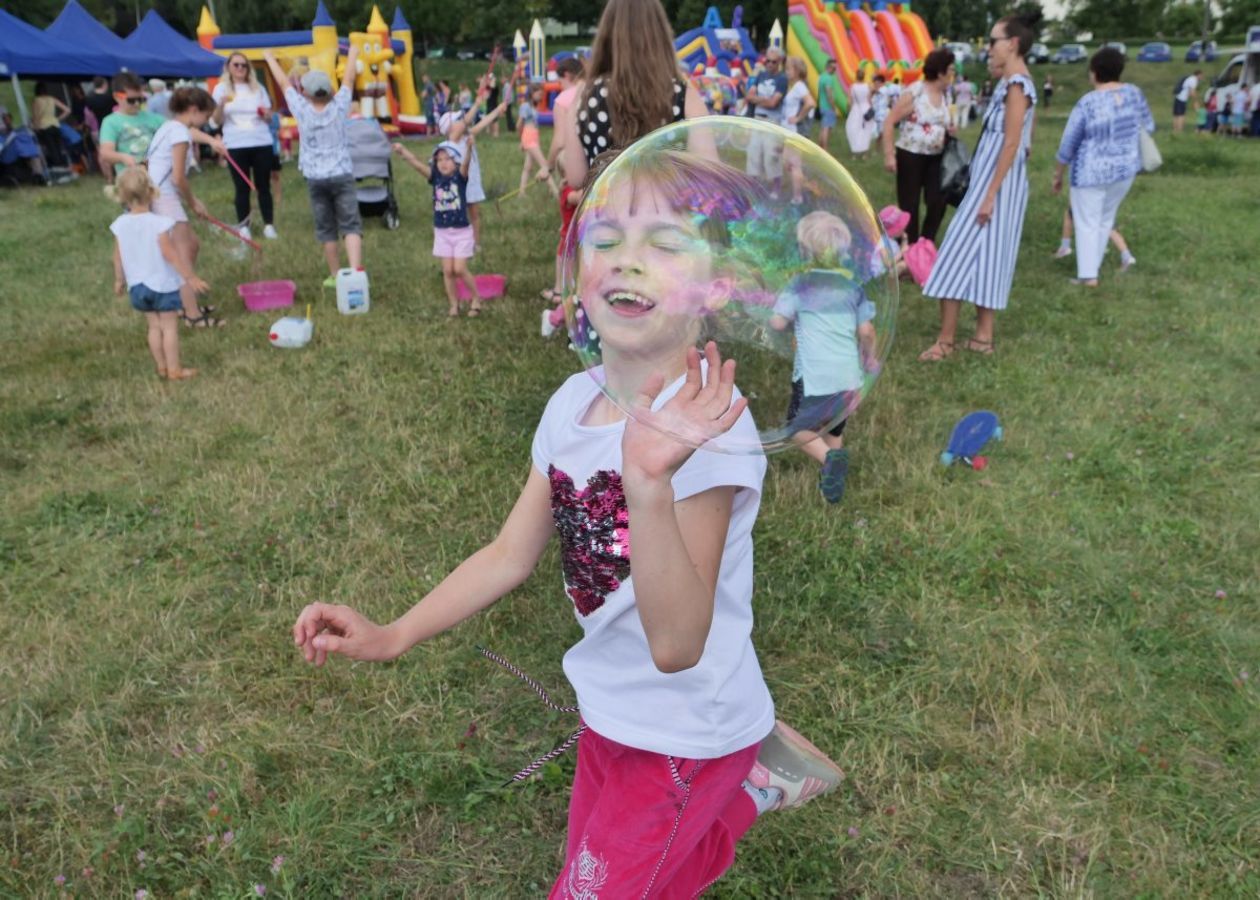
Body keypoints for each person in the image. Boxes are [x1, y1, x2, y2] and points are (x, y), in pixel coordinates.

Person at [290, 147, 844, 896]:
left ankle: (738, 778)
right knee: (649, 879)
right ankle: (748, 792)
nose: (627, 261)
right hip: (610, 714)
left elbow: (679, 643)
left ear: (716, 288)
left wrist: (647, 481)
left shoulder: (707, 436)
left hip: (686, 732)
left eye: (664, 244)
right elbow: (507, 554)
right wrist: (393, 635)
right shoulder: (569, 402)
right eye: (607, 239)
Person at [918, 16, 1037, 360]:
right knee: (989, 258)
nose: (989, 47)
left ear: (1012, 43)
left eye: (994, 40)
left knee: (953, 255)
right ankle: (983, 338)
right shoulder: (1010, 82)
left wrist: (989, 196)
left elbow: (1012, 143)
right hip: (997, 185)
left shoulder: (1018, 85)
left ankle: (945, 342)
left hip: (995, 187)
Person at [770, 211, 877, 504]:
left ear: (804, 251)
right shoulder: (853, 288)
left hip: (814, 376)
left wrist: (780, 315)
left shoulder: (800, 286)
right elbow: (866, 331)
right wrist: (870, 359)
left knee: (796, 428)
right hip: (848, 376)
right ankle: (832, 480)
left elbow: (778, 323)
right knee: (835, 423)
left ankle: (830, 457)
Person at [563, 0, 707, 189]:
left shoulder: (585, 95)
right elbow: (708, 170)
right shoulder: (682, 94)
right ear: (660, 35)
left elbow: (575, 178)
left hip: (606, 215)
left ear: (606, 35)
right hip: (668, 215)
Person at [263, 46, 364, 288]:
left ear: (306, 93)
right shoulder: (340, 105)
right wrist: (352, 55)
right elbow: (349, 78)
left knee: (326, 228)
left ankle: (335, 275)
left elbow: (283, 82)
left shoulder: (301, 108)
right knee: (350, 224)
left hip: (316, 179)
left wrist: (269, 58)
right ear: (330, 90)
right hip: (341, 174)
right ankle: (356, 271)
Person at [1052, 47, 1153, 287]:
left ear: (1094, 72)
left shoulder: (1088, 103)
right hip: (1125, 170)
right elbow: (1148, 125)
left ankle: (1088, 276)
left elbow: (1069, 143)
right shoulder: (1134, 94)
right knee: (1104, 220)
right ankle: (1092, 268)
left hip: (1090, 172)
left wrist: (1058, 174)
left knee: (1086, 222)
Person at [110, 166, 209, 381]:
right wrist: (190, 277)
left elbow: (117, 257)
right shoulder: (159, 223)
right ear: (151, 192)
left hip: (137, 286)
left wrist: (119, 280)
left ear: (123, 196)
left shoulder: (120, 224)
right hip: (162, 285)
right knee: (169, 327)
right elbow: (170, 254)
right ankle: (175, 369)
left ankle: (161, 367)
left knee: (153, 327)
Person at [145, 87, 223, 328]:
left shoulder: (171, 126)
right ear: (193, 110)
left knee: (192, 245)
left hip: (158, 194)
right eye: (205, 117)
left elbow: (191, 132)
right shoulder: (179, 134)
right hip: (164, 197)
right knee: (181, 256)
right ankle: (191, 314)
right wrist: (194, 203)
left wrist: (211, 140)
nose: (205, 123)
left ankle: (182, 299)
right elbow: (178, 178)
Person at [392, 139, 483, 318]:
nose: (443, 163)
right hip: (442, 232)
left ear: (455, 162)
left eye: (447, 159)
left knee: (459, 269)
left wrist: (470, 147)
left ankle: (476, 298)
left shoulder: (460, 177)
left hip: (461, 232)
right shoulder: (435, 178)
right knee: (447, 271)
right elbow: (417, 166)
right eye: (439, 160)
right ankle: (454, 305)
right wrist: (403, 151)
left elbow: (465, 163)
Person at [882, 48, 956, 245]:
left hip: (937, 157)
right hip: (910, 156)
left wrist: (948, 130)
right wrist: (889, 155)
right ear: (940, 72)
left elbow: (941, 121)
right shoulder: (915, 92)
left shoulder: (946, 95)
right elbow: (889, 122)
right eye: (950, 69)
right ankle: (911, 246)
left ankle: (926, 242)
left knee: (938, 201)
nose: (952, 73)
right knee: (910, 205)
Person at [213, 53, 279, 240]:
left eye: (244, 65)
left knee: (263, 185)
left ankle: (269, 225)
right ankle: (244, 227)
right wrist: (220, 105)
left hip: (261, 141)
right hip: (235, 143)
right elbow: (215, 120)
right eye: (236, 65)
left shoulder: (258, 89)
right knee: (241, 188)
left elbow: (269, 117)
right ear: (228, 67)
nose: (240, 68)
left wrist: (266, 114)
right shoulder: (220, 89)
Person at [438, 100, 509, 250]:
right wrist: (477, 103)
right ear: (449, 129)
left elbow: (483, 123)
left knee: (475, 214)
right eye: (457, 121)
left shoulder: (466, 136)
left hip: (472, 183)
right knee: (458, 216)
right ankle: (457, 243)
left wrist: (497, 109)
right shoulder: (452, 141)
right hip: (459, 185)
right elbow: (467, 121)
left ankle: (475, 244)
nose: (462, 122)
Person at [739, 47, 789, 193]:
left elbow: (773, 103)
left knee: (771, 156)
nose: (769, 64)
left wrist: (756, 99)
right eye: (767, 60)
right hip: (757, 120)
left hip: (772, 121)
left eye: (773, 62)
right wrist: (762, 99)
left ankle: (776, 189)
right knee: (753, 154)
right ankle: (753, 187)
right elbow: (749, 96)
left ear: (779, 62)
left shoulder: (782, 79)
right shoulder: (760, 75)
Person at [1054, 207, 1136, 272]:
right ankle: (1126, 255)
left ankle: (1065, 248)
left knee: (1070, 214)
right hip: (1106, 196)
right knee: (1108, 227)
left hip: (1091, 197)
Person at [781, 56, 816, 204]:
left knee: (794, 165)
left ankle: (798, 197)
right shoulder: (795, 86)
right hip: (789, 132)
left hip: (794, 132)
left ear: (797, 70)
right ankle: (804, 188)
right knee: (788, 163)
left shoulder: (800, 86)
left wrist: (798, 118)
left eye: (789, 68)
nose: (786, 71)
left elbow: (810, 103)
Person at [546, 56, 586, 174]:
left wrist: (548, 167)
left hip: (576, 164)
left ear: (567, 75)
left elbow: (560, 141)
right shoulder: (595, 90)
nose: (560, 87)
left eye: (560, 82)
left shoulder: (562, 100)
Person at [518, 84, 559, 198]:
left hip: (534, 137)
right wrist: (522, 140)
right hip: (529, 138)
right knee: (545, 165)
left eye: (541, 94)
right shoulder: (525, 106)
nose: (540, 96)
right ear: (531, 93)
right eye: (538, 93)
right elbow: (519, 125)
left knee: (527, 167)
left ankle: (521, 192)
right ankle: (555, 192)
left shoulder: (533, 107)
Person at [31, 83, 72, 169]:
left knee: (51, 148)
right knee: (59, 147)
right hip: (55, 125)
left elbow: (36, 116)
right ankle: (64, 165)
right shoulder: (52, 99)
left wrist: (35, 127)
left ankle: (57, 166)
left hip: (44, 127)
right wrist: (57, 119)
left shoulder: (37, 101)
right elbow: (67, 110)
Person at [844, 74, 875, 159]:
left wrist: (848, 110)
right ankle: (865, 153)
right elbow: (869, 99)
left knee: (854, 129)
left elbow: (849, 101)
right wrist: (872, 109)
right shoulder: (867, 86)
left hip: (856, 109)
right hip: (866, 109)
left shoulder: (852, 87)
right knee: (866, 131)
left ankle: (854, 152)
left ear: (856, 76)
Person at [816, 58, 842, 149]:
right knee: (827, 128)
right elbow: (829, 93)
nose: (835, 70)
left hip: (822, 105)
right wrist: (833, 107)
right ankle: (825, 149)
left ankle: (819, 147)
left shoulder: (821, 77)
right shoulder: (829, 79)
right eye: (834, 68)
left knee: (823, 128)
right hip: (828, 106)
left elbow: (820, 92)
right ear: (830, 68)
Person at [1173, 68, 1200, 134]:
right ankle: (1180, 130)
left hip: (1177, 97)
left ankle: (1175, 130)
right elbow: (1192, 92)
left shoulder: (1189, 78)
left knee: (1176, 115)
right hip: (1182, 99)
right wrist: (1196, 101)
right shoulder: (1193, 80)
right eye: (1202, 76)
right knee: (1181, 115)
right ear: (1199, 75)